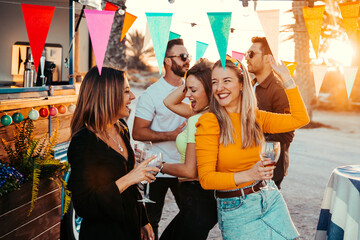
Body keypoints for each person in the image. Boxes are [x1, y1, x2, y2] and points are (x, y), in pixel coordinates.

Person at [195, 56, 310, 239]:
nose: (219, 88)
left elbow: (300, 119)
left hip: (270, 199)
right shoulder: (209, 122)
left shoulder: (255, 117)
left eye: (227, 81)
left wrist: (286, 80)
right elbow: (207, 179)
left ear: (241, 84)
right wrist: (250, 174)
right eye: (215, 82)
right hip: (237, 208)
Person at [68, 66, 158, 240]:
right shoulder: (83, 142)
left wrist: (143, 220)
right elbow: (84, 205)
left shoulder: (121, 128)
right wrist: (131, 177)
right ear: (107, 95)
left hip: (130, 228)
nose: (132, 96)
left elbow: (130, 190)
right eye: (126, 91)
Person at [132, 38, 191, 240]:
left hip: (187, 167)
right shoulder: (152, 94)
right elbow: (138, 132)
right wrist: (171, 135)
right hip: (157, 167)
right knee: (151, 222)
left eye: (188, 56)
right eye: (182, 56)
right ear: (167, 61)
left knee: (194, 216)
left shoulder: (194, 89)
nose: (187, 60)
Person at [159, 59, 217, 240]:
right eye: (187, 89)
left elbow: (189, 170)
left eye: (193, 90)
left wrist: (157, 164)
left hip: (197, 198)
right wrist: (191, 83)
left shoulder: (197, 120)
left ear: (210, 90)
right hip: (202, 201)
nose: (187, 95)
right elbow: (169, 102)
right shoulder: (207, 115)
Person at [246, 36, 295, 189]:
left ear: (268, 58)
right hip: (247, 167)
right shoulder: (249, 86)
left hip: (269, 171)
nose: (247, 58)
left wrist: (254, 135)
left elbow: (287, 133)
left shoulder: (279, 90)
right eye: (247, 54)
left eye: (251, 54)